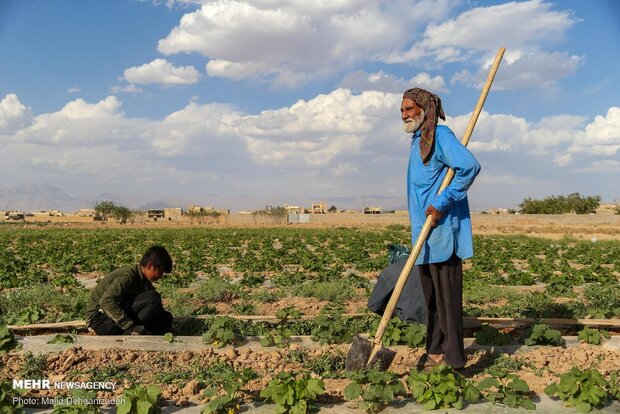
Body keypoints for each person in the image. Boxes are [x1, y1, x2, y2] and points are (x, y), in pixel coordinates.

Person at [401, 87, 481, 370]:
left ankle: (455, 361)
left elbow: (469, 166)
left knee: (448, 304)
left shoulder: (441, 136)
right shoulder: (418, 140)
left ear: (424, 109)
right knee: (432, 301)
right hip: (425, 236)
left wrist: (443, 201)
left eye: (409, 109)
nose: (404, 115)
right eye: (402, 110)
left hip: (443, 231)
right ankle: (434, 352)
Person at [86, 245, 174, 335]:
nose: (160, 276)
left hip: (116, 320)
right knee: (153, 298)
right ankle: (131, 333)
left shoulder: (144, 281)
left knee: (165, 318)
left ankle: (136, 333)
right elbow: (106, 302)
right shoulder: (127, 276)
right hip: (100, 321)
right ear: (149, 265)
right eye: (160, 272)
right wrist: (130, 326)